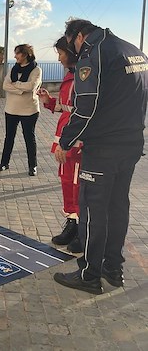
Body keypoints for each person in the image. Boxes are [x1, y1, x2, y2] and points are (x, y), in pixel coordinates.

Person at [53, 18, 148, 295]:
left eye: (71, 42)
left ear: (78, 36)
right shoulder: (134, 50)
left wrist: (65, 142)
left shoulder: (93, 54)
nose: (72, 49)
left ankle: (89, 274)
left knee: (93, 209)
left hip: (103, 148)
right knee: (118, 206)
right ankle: (112, 269)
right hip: (131, 143)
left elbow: (85, 107)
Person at [37, 36, 82, 253]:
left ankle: (82, 228)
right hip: (65, 137)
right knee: (67, 182)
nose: (59, 58)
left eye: (61, 53)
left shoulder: (84, 76)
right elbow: (66, 107)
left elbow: (84, 113)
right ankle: (72, 223)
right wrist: (49, 101)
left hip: (76, 140)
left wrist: (73, 142)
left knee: (77, 184)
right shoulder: (71, 75)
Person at [0, 44, 42, 176]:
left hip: (29, 110)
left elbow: (32, 86)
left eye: (17, 53)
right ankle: (4, 163)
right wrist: (21, 89)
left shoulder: (36, 70)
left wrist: (15, 85)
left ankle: (32, 166)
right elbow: (5, 85)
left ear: (26, 54)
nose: (15, 56)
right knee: (9, 137)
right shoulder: (13, 69)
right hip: (11, 109)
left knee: (29, 138)